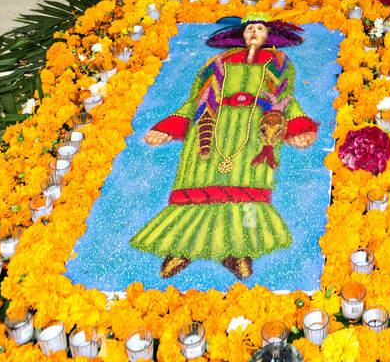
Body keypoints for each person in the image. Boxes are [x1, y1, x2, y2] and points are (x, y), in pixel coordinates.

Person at [130, 18, 318, 280]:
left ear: (269, 36)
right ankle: (181, 248)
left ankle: (240, 251)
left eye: (260, 29)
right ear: (241, 34)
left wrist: (297, 127)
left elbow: (285, 96)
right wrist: (171, 127)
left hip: (255, 128)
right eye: (249, 28)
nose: (254, 32)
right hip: (210, 126)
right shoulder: (218, 62)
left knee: (248, 185)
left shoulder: (277, 63)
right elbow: (197, 97)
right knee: (197, 182)